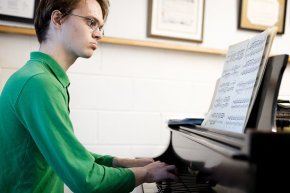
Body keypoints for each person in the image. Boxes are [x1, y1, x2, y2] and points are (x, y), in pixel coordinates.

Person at [0, 0, 177, 192]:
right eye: (91, 22)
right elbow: (86, 181)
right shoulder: (39, 83)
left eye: (100, 27)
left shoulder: (37, 76)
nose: (99, 34)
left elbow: (68, 154)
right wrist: (147, 174)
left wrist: (120, 162)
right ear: (58, 19)